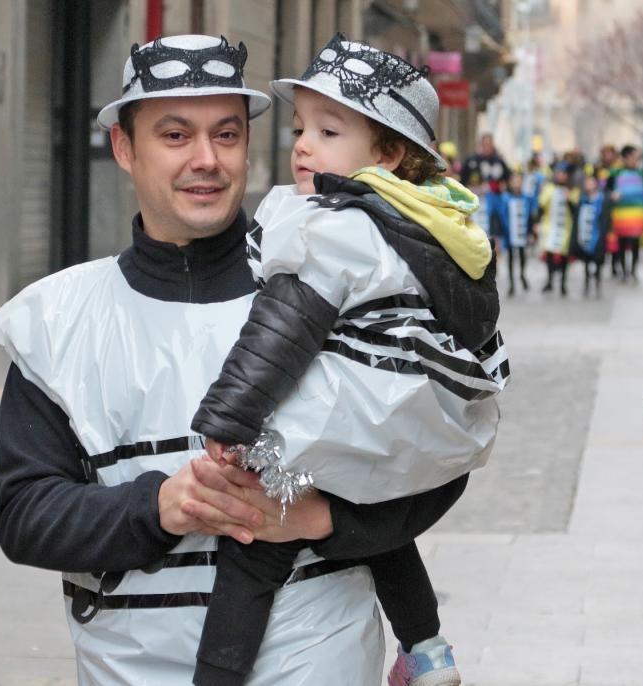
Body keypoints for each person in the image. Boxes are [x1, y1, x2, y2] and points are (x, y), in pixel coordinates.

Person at [0, 34, 472, 685]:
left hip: (316, 650)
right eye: (176, 135)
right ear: (125, 147)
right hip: (124, 667)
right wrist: (160, 507)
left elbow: (439, 455)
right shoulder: (57, 319)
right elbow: (23, 515)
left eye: (228, 135)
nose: (206, 160)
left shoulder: (338, 273)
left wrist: (328, 518)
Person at [190, 34, 506, 686]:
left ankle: (215, 677)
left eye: (328, 131)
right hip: (408, 422)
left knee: (250, 551)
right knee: (388, 538)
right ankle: (427, 649)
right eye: (302, 127)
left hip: (333, 423)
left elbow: (282, 328)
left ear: (388, 153)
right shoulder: (433, 225)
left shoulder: (332, 226)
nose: (303, 144)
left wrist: (229, 418)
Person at [605, 145, 643, 283]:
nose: (636, 160)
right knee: (621, 242)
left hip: (637, 214)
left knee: (636, 242)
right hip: (621, 214)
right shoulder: (615, 173)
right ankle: (624, 270)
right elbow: (606, 191)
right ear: (626, 157)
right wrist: (611, 195)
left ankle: (633, 270)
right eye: (634, 157)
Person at [492, 170, 536, 296]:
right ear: (510, 183)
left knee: (522, 255)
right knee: (510, 257)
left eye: (519, 181)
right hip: (509, 233)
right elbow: (499, 216)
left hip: (522, 232)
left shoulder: (527, 198)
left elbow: (531, 217)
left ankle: (522, 275)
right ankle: (512, 284)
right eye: (514, 181)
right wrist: (498, 235)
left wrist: (532, 232)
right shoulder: (505, 198)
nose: (516, 184)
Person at [538, 163, 578, 296]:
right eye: (559, 173)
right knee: (549, 254)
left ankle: (563, 284)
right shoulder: (549, 188)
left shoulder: (573, 190)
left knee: (564, 256)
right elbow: (541, 206)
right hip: (550, 226)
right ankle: (549, 281)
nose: (561, 176)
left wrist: (569, 199)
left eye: (563, 174)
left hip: (566, 228)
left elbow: (575, 211)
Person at [570, 175, 608, 297]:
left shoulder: (602, 199)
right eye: (586, 183)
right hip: (584, 235)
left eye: (590, 183)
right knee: (586, 262)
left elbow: (605, 218)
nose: (588, 186)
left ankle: (597, 285)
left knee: (598, 262)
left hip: (597, 235)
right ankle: (586, 285)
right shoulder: (582, 199)